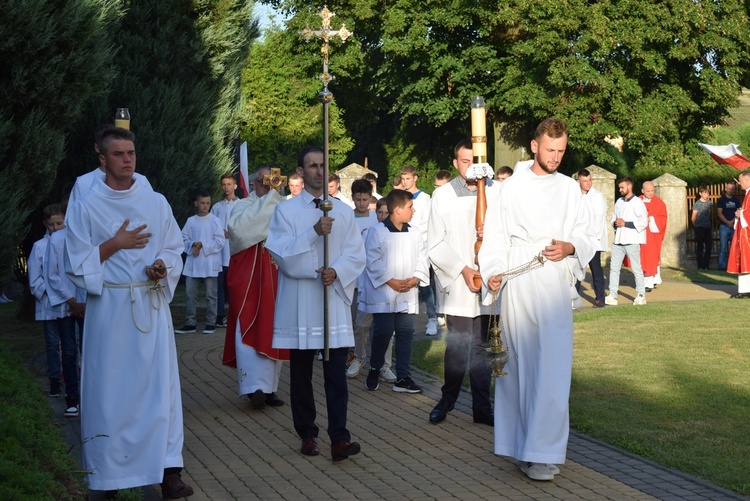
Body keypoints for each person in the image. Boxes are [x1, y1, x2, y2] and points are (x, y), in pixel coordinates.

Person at [65, 127, 192, 498]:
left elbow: (173, 246)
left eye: (131, 153)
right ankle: (108, 476)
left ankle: (169, 470)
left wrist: (161, 266)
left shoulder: (155, 201)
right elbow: (74, 262)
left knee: (160, 390)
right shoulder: (87, 204)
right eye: (118, 154)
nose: (127, 159)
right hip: (111, 309)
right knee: (109, 392)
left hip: (150, 306)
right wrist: (113, 245)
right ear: (102, 159)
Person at [480, 117, 594, 481]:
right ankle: (519, 446)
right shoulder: (508, 189)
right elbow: (495, 237)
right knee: (518, 367)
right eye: (550, 150)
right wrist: (493, 270)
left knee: (553, 368)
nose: (556, 157)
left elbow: (585, 231)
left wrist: (571, 245)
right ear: (534, 146)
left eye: (561, 151)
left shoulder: (569, 189)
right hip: (519, 280)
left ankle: (544, 453)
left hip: (554, 283)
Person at [265, 146, 366, 462]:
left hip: (331, 297)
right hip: (302, 301)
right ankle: (307, 433)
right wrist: (313, 233)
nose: (319, 171)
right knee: (302, 371)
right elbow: (280, 254)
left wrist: (337, 271)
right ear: (300, 171)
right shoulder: (287, 211)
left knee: (336, 371)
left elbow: (356, 254)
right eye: (312, 166)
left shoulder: (344, 211)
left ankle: (339, 438)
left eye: (323, 165)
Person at [427, 139, 497, 427]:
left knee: (483, 346)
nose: (470, 166)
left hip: (490, 281)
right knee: (458, 345)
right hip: (458, 283)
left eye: (474, 160)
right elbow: (435, 242)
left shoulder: (496, 191)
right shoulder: (442, 196)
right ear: (455, 163)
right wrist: (463, 269)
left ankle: (482, 407)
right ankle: (448, 399)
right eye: (464, 161)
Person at [222, 166, 289, 408]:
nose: (270, 187)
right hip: (249, 277)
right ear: (254, 184)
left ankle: (270, 389)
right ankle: (253, 388)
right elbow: (239, 233)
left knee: (274, 328)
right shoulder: (243, 206)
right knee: (248, 324)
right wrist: (272, 200)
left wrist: (274, 200)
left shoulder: (282, 205)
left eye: (274, 182)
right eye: (265, 182)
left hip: (274, 274)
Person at [361, 189, 429, 393]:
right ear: (398, 209)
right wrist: (390, 281)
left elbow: (423, 258)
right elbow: (371, 260)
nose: (413, 210)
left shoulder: (415, 233)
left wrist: (416, 278)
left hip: (407, 291)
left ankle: (403, 378)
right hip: (384, 291)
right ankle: (375, 367)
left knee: (406, 332)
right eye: (410, 206)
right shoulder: (377, 232)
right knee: (383, 332)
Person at [45, 206, 86, 418]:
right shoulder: (57, 239)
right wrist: (72, 301)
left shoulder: (90, 233)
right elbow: (51, 274)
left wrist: (85, 300)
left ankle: (92, 398)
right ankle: (72, 398)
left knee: (91, 352)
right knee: (69, 351)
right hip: (66, 304)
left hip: (89, 303)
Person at [29, 204, 66, 398]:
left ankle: (72, 377)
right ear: (45, 224)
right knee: (52, 344)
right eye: (51, 225)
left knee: (71, 343)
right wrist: (52, 292)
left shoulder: (70, 243)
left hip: (69, 304)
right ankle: (54, 380)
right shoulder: (39, 247)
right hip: (49, 305)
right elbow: (35, 280)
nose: (56, 228)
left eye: (59, 223)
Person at [175, 191, 224, 334]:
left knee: (211, 295)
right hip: (194, 262)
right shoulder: (191, 221)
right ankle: (190, 323)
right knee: (190, 294)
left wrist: (203, 245)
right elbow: (183, 238)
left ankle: (210, 322)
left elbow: (219, 241)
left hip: (210, 261)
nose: (205, 206)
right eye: (202, 203)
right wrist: (193, 245)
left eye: (208, 203)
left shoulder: (215, 220)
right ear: (196, 204)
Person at [346, 179, 380, 378]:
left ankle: (379, 363)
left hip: (372, 277)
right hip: (353, 278)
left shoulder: (376, 218)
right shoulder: (348, 218)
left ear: (370, 197)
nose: (361, 204)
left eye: (365, 199)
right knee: (355, 322)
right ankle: (356, 356)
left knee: (374, 324)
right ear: (352, 198)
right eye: (358, 199)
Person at [400, 164, 438, 335]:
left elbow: (429, 223)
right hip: (404, 246)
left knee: (424, 284)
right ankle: (408, 321)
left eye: (408, 178)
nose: (405, 181)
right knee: (407, 285)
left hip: (421, 245)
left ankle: (432, 319)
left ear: (415, 178)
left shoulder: (425, 198)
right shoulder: (400, 197)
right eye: (403, 179)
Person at [605, 177, 648, 306]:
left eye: (622, 187)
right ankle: (613, 295)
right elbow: (613, 217)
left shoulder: (638, 203)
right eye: (619, 187)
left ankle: (641, 295)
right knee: (614, 269)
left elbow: (643, 222)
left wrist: (626, 223)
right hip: (618, 240)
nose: (620, 190)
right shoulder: (619, 201)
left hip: (632, 241)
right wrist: (615, 223)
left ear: (629, 187)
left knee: (636, 269)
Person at [576, 169, 608, 307]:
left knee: (596, 269)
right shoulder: (575, 195)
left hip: (593, 239)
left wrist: (592, 238)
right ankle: (574, 298)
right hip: (578, 239)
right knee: (576, 269)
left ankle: (600, 298)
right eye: (585, 181)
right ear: (579, 182)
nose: (588, 183)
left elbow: (598, 218)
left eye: (590, 180)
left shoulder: (597, 196)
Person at [211, 173, 239, 327]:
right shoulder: (216, 207)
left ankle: (235, 316)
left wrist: (231, 233)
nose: (226, 187)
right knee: (219, 286)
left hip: (234, 252)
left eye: (229, 184)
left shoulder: (241, 205)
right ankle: (220, 315)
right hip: (219, 254)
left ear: (235, 186)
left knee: (234, 287)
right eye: (224, 184)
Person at [639, 181, 668, 290]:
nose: (651, 193)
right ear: (642, 191)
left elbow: (663, 219)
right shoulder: (637, 201)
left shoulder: (659, 203)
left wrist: (651, 219)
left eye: (652, 191)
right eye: (648, 191)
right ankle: (649, 280)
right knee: (643, 258)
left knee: (651, 257)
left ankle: (650, 282)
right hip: (641, 234)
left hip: (653, 235)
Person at [728, 171, 750, 297]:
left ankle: (745, 291)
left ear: (747, 181)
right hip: (743, 234)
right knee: (744, 261)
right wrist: (741, 212)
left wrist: (741, 213)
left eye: (741, 181)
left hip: (747, 236)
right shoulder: (747, 194)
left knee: (746, 261)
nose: (739, 184)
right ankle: (744, 290)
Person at [717, 181, 741, 270]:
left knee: (733, 247)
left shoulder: (736, 200)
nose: (730, 190)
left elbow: (739, 212)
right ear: (726, 189)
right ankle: (722, 266)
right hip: (724, 226)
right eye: (729, 188)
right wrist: (727, 222)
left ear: (734, 190)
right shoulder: (721, 200)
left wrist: (732, 221)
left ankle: (732, 266)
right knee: (722, 248)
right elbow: (719, 213)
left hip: (734, 226)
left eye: (732, 189)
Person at [692, 186, 713, 270]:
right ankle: (700, 265)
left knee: (709, 247)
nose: (706, 195)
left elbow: (710, 214)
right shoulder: (697, 204)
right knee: (700, 247)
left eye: (707, 193)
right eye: (704, 193)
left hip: (707, 227)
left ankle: (706, 265)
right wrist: (696, 226)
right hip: (699, 227)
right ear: (700, 193)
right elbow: (693, 217)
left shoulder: (709, 203)